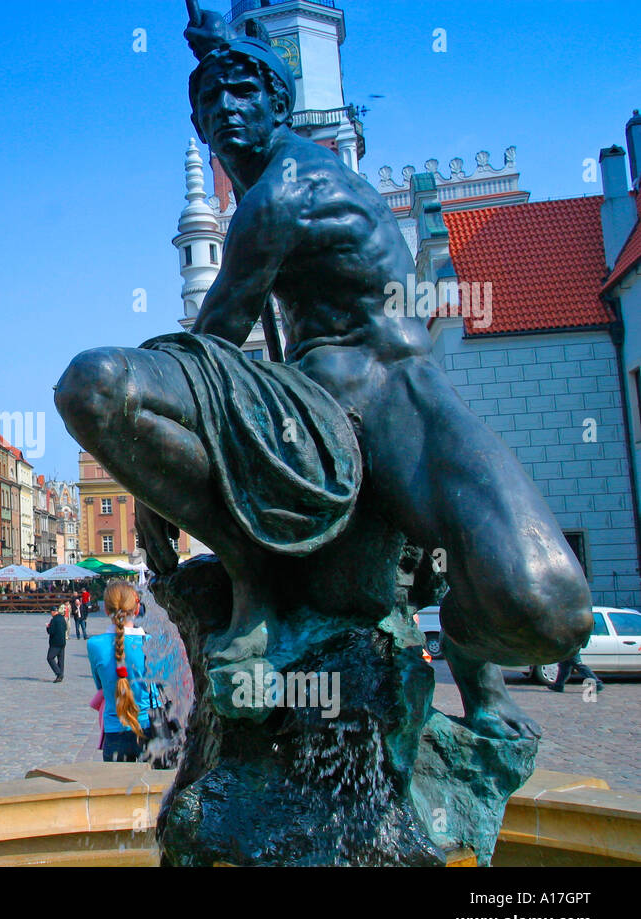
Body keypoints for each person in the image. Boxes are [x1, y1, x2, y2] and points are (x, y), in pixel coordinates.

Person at [54, 7, 591, 742]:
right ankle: (256, 581)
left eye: (244, 97)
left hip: (400, 394)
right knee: (92, 384)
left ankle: (474, 672)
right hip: (313, 402)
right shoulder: (274, 186)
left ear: (282, 106)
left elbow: (213, 337)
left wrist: (151, 486)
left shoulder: (281, 194)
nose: (225, 114)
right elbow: (221, 347)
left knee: (552, 611)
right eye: (209, 104)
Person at [88, 581, 155, 761]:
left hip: (114, 732)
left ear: (107, 610)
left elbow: (100, 685)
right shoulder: (150, 642)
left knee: (115, 787)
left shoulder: (94, 645)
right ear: (137, 607)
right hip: (147, 728)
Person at [46, 603, 69, 682]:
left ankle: (59, 673)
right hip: (63, 642)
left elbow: (51, 631)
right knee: (61, 659)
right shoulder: (62, 618)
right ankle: (60, 676)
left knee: (50, 658)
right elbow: (66, 628)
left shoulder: (54, 620)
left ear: (53, 612)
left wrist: (48, 627)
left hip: (55, 643)